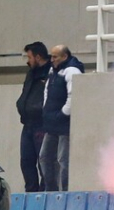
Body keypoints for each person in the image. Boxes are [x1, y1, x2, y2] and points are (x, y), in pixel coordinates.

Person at [39, 45, 84, 191]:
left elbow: (73, 96)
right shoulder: (53, 70)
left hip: (64, 123)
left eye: (55, 57)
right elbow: (46, 91)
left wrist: (63, 114)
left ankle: (64, 191)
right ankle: (50, 189)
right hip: (51, 122)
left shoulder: (72, 71)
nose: (51, 60)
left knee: (63, 160)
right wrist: (45, 109)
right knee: (44, 156)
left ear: (64, 57)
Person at [17, 42, 51, 192]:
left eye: (30, 57)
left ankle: (44, 192)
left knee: (43, 160)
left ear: (38, 57)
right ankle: (31, 192)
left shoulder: (50, 72)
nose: (28, 60)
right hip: (28, 123)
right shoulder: (31, 73)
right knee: (26, 161)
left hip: (41, 124)